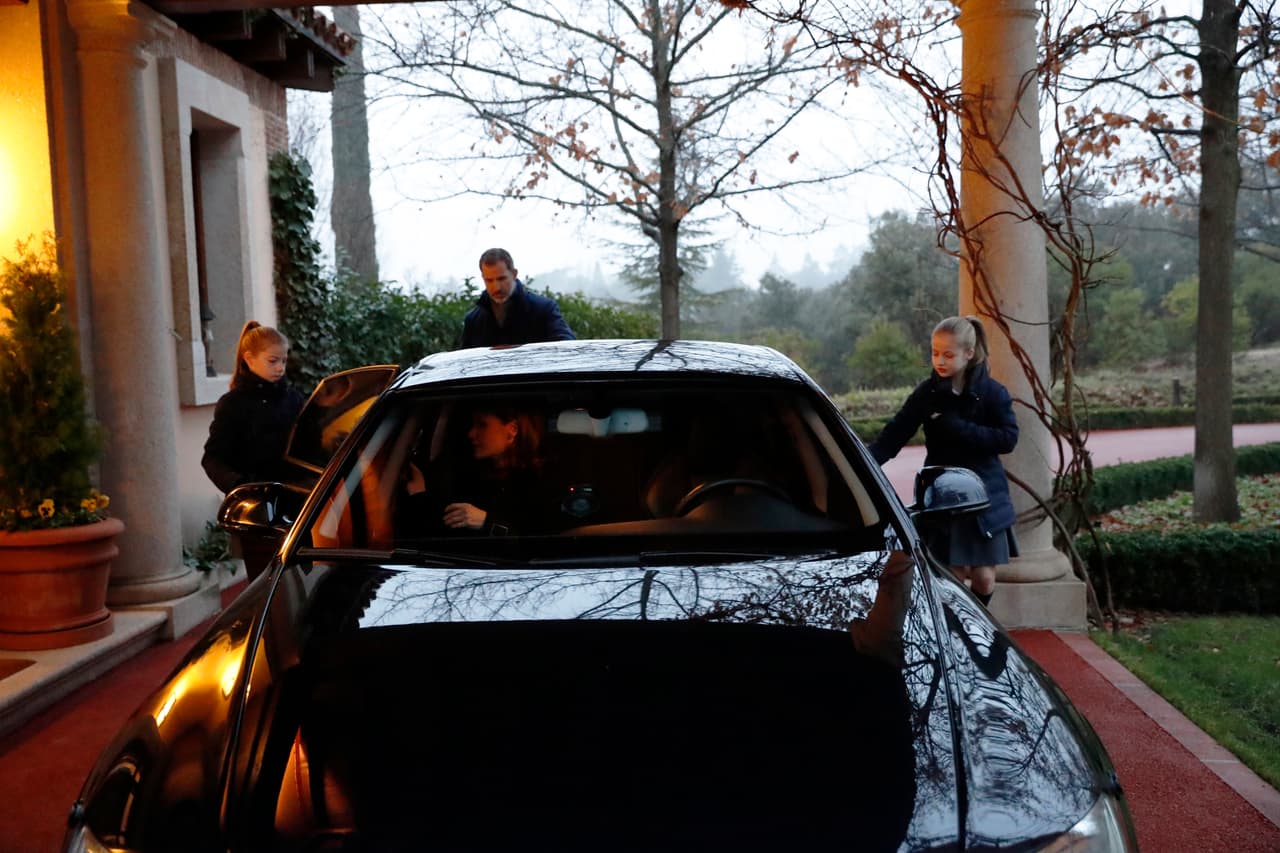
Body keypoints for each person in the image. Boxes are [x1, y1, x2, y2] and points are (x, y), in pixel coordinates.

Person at [867, 315, 1018, 607]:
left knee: (985, 577)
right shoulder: (928, 394)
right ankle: (961, 630)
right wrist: (863, 466)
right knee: (955, 573)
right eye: (936, 353)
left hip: (986, 496)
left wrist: (956, 426)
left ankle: (977, 621)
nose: (940, 360)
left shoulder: (993, 393)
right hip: (944, 497)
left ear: (969, 353)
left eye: (948, 354)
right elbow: (893, 436)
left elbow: (1007, 439)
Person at [404, 406, 555, 536]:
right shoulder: (467, 475)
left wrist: (487, 522)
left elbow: (537, 545)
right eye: (472, 425)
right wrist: (419, 495)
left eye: (482, 425)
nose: (471, 434)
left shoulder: (541, 482)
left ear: (512, 430)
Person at [201, 321, 305, 493]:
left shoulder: (294, 399)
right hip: (254, 506)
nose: (280, 368)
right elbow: (213, 459)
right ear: (249, 359)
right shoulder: (233, 404)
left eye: (284, 361)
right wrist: (240, 487)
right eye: (272, 361)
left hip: (296, 498)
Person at [459, 248, 575, 348]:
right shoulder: (473, 320)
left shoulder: (544, 309)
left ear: (514, 274)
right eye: (489, 280)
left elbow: (566, 347)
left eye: (501, 279)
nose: (496, 287)